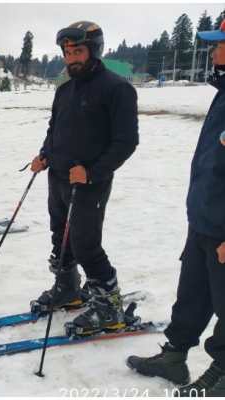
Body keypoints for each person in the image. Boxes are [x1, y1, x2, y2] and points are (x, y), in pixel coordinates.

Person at [126, 21, 225, 396]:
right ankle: (175, 355)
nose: (212, 51)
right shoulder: (223, 93)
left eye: (220, 44)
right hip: (204, 217)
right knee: (193, 295)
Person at [28, 21, 139, 334]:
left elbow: (126, 142)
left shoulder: (117, 89)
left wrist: (91, 172)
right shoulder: (64, 89)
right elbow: (55, 130)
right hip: (59, 177)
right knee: (59, 235)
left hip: (90, 182)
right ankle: (68, 289)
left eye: (77, 51)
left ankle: (109, 307)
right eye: (66, 52)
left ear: (94, 50)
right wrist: (44, 155)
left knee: (85, 244)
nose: (71, 57)